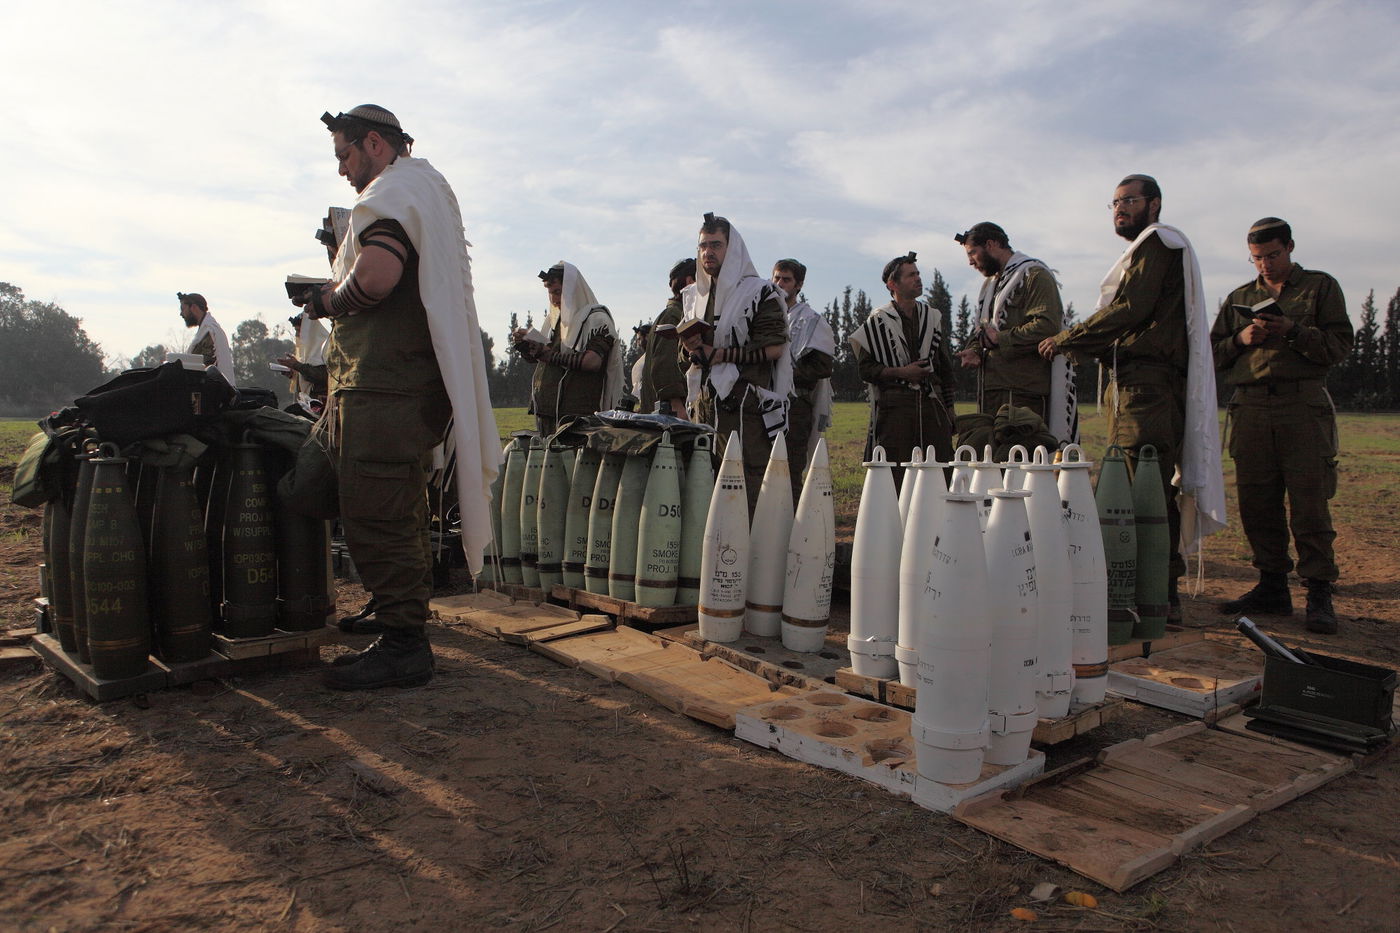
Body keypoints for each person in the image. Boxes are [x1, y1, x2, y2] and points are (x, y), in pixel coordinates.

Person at [293, 104, 499, 690]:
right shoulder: (427, 188)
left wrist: (328, 301)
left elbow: (378, 276)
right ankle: (397, 616)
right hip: (401, 383)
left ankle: (405, 642)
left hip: (386, 386)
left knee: (375, 510)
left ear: (375, 145)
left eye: (345, 155)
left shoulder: (390, 193)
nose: (342, 170)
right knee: (397, 506)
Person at [1039, 174, 1225, 621]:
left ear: (1154, 204)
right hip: (1134, 388)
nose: (1120, 209)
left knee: (1145, 488)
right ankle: (1145, 591)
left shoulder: (1158, 243)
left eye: (1129, 201)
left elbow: (1131, 309)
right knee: (1134, 485)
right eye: (1115, 203)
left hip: (1148, 392)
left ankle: (1159, 596)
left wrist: (1072, 338)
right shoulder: (1148, 247)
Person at [1211, 218, 1352, 632]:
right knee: (1257, 503)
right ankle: (1271, 585)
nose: (1265, 265)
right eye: (1257, 258)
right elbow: (1213, 354)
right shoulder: (1241, 297)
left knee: (1310, 503)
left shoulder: (1320, 288)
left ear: (1289, 247)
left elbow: (1339, 346)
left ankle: (1319, 592)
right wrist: (1241, 340)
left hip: (1302, 405)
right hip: (1249, 408)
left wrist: (1293, 331)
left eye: (1272, 255)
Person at [678, 214, 790, 516]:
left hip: (746, 407)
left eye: (716, 245)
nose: (707, 253)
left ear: (732, 248)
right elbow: (688, 356)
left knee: (746, 486)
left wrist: (721, 355)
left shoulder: (759, 292)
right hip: (706, 406)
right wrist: (691, 350)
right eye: (703, 246)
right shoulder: (694, 297)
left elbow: (774, 348)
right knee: (706, 482)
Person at [850, 252, 956, 491]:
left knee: (938, 472)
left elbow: (944, 368)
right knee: (895, 475)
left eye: (918, 274)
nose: (918, 279)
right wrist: (901, 372)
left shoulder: (931, 317)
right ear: (892, 284)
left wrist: (949, 408)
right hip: (894, 410)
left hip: (931, 407)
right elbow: (866, 370)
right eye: (911, 275)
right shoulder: (877, 322)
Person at [955, 222, 1070, 438]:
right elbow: (985, 328)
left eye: (973, 253)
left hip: (1024, 396)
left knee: (1022, 462)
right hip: (992, 392)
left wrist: (1001, 339)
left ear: (991, 244)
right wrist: (974, 349)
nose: (970, 262)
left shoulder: (1034, 276)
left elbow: (1046, 326)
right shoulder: (991, 286)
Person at [515, 262, 622, 434]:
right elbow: (541, 357)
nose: (554, 300)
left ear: (573, 291)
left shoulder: (597, 319)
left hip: (578, 417)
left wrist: (548, 355)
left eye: (558, 292)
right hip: (547, 412)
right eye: (550, 293)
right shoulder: (553, 322)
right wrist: (525, 345)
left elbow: (592, 361)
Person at [773, 258, 834, 503]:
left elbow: (822, 366)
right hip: (762, 404)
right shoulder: (760, 317)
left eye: (785, 279)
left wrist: (784, 376)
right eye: (776, 277)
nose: (778, 283)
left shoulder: (810, 320)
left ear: (798, 285)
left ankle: (793, 528)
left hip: (794, 406)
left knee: (789, 468)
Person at [638, 258, 695, 417]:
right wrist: (675, 403)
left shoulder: (675, 315)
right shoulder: (673, 317)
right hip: (670, 416)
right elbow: (665, 364)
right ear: (691, 281)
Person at [177, 292, 234, 380]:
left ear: (194, 308)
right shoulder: (205, 331)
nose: (181, 314)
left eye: (183, 309)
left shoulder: (210, 331)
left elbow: (206, 366)